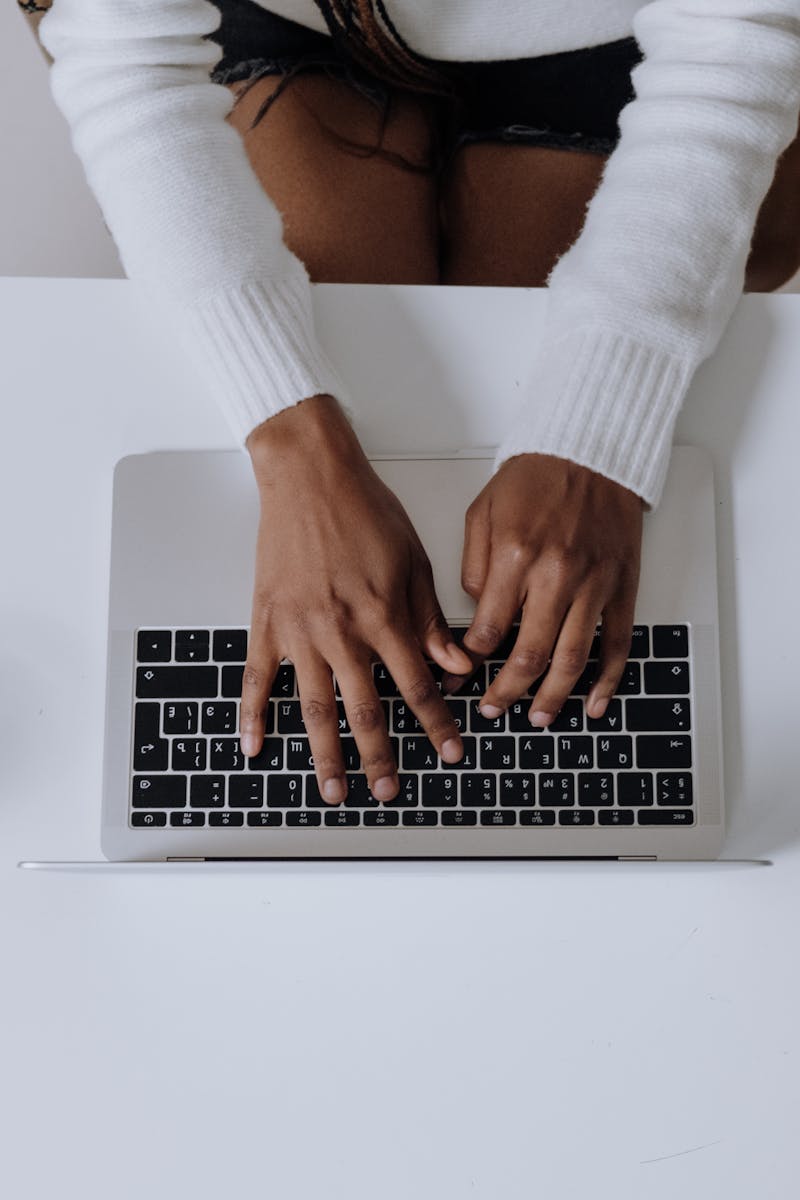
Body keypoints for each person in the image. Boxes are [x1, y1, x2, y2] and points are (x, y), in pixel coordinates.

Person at [27, 0, 800, 808]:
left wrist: (597, 431)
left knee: (502, 493)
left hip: (614, 30)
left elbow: (737, 37)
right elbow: (125, 59)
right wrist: (292, 444)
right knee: (372, 488)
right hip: (292, 18)